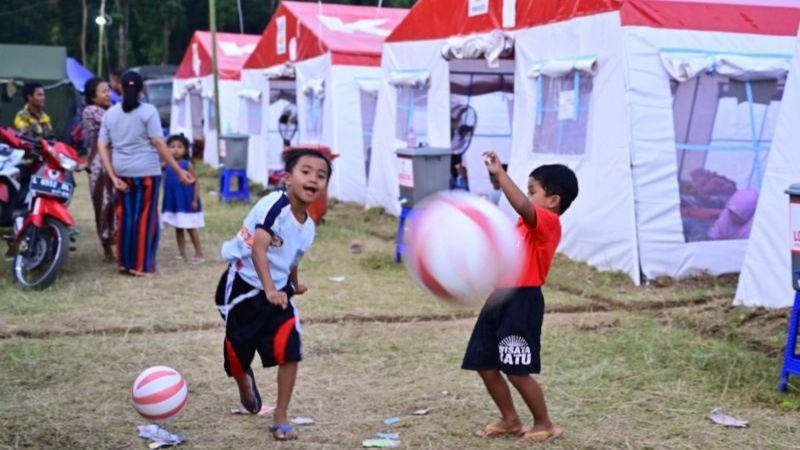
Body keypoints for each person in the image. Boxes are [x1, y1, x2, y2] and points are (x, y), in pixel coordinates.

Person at [462, 151, 578, 444]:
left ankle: (544, 423)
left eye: (532, 191)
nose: (527, 197)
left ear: (553, 200)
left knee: (516, 370)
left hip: (522, 302)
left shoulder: (548, 223)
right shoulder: (521, 227)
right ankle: (510, 420)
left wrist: (502, 175)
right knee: (484, 363)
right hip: (499, 298)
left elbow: (524, 208)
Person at [216, 148, 331, 441]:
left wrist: (293, 284)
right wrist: (269, 288)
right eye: (306, 172)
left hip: (277, 294)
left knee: (290, 348)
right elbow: (259, 248)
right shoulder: (274, 205)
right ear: (287, 178)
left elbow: (292, 257)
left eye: (321, 175)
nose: (313, 179)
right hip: (244, 286)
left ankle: (280, 417)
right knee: (237, 355)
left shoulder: (309, 227)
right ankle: (243, 382)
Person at [97, 71, 194, 276]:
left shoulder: (110, 114)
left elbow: (102, 146)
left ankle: (124, 263)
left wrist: (113, 176)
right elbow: (158, 142)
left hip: (122, 172)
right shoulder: (148, 111)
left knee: (125, 216)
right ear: (142, 89)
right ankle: (141, 266)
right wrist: (178, 170)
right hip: (146, 173)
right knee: (145, 218)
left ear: (120, 88)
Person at [82, 77, 116, 262]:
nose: (108, 93)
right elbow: (114, 125)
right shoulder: (91, 111)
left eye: (109, 90)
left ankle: (116, 244)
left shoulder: (109, 110)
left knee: (114, 202)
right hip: (99, 163)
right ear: (93, 97)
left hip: (114, 161)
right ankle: (107, 249)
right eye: (104, 91)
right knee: (103, 203)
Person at [162, 134, 204, 263]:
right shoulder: (166, 166)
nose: (175, 149)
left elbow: (196, 182)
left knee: (191, 228)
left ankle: (199, 253)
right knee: (178, 228)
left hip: (187, 202)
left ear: (185, 150)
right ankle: (182, 253)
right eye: (172, 146)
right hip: (174, 202)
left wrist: (195, 200)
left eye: (179, 147)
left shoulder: (187, 165)